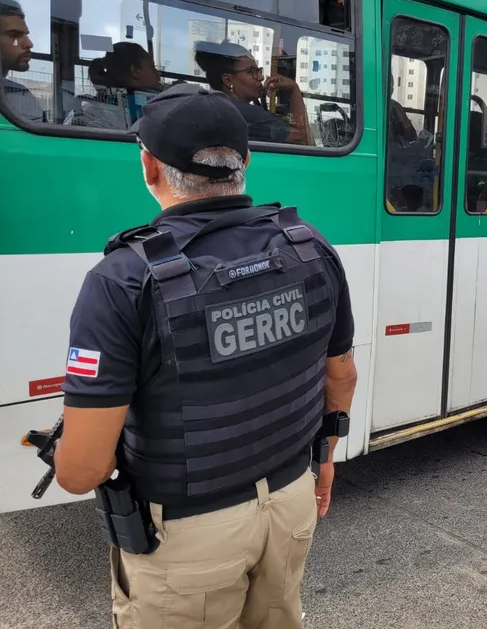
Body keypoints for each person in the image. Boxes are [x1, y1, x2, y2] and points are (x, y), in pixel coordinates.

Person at [51, 83, 357, 628]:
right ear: (246, 162)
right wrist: (325, 457)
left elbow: (81, 471)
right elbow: (341, 376)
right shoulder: (311, 247)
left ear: (149, 167)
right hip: (291, 504)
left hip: (187, 539)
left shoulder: (122, 280)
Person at [195, 40, 311, 145]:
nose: (260, 77)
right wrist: (294, 89)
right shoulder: (246, 113)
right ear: (228, 80)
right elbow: (303, 139)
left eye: (258, 70)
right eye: (251, 71)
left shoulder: (218, 104)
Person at [0, 0, 44, 122]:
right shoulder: (19, 96)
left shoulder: (18, 94)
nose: (29, 44)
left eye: (26, 35)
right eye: (14, 35)